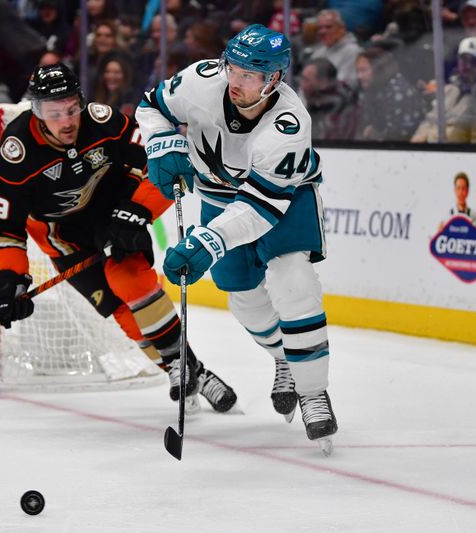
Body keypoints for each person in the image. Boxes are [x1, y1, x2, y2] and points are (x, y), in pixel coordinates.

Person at [0, 62, 237, 412]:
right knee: (125, 315)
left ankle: (183, 366)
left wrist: (139, 211)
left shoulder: (103, 122)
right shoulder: (17, 151)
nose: (67, 120)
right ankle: (192, 370)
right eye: (54, 112)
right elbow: (4, 227)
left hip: (117, 214)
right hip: (64, 240)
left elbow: (162, 167)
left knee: (131, 281)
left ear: (82, 101)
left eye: (73, 108)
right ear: (37, 111)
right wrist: (11, 277)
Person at [135, 25, 338, 450]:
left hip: (284, 198)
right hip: (217, 194)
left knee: (293, 278)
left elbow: (260, 210)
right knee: (241, 293)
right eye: (234, 69)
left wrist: (207, 240)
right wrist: (161, 141)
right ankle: (285, 358)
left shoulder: (289, 124)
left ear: (274, 80)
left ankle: (314, 392)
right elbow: (150, 106)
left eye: (251, 75)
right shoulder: (202, 80)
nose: (237, 82)